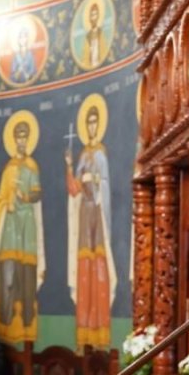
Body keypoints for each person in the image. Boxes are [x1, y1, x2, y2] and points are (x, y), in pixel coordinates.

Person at [65, 101, 116, 348]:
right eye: (89, 123)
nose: (93, 127)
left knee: (98, 264)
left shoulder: (101, 153)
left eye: (95, 122)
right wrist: (68, 166)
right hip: (84, 213)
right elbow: (74, 189)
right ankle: (84, 328)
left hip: (97, 211)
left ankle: (100, 327)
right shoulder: (84, 154)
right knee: (85, 264)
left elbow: (104, 182)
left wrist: (95, 183)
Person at [0, 117, 44, 343]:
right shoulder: (9, 168)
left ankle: (28, 325)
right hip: (10, 226)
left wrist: (26, 196)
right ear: (14, 140)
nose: (21, 141)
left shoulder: (32, 166)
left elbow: (37, 192)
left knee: (26, 274)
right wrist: (4, 203)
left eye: (24, 137)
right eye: (18, 137)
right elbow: (0, 195)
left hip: (27, 224)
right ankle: (7, 321)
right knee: (8, 273)